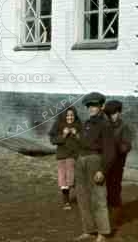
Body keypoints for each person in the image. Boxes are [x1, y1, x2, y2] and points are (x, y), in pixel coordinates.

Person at [74, 92, 116, 242]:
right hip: (81, 160)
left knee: (98, 197)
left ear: (102, 106)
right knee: (83, 197)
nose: (91, 108)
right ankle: (89, 230)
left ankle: (103, 233)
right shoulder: (87, 123)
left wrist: (102, 170)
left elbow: (110, 151)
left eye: (94, 105)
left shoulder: (105, 125)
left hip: (95, 161)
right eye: (89, 106)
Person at [103, 100, 133, 226]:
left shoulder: (124, 127)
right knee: (104, 189)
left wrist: (115, 146)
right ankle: (105, 216)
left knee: (114, 188)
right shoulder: (105, 125)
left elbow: (127, 146)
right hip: (105, 163)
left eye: (115, 113)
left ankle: (115, 218)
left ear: (119, 113)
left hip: (117, 163)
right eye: (110, 114)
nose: (112, 116)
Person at [49, 105, 82, 210]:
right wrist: (63, 135)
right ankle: (66, 201)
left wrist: (76, 134)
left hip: (74, 155)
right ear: (63, 116)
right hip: (62, 156)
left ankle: (81, 197)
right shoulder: (58, 124)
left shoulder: (79, 124)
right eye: (67, 115)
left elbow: (85, 140)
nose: (70, 117)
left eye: (72, 115)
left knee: (73, 178)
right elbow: (53, 140)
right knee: (63, 179)